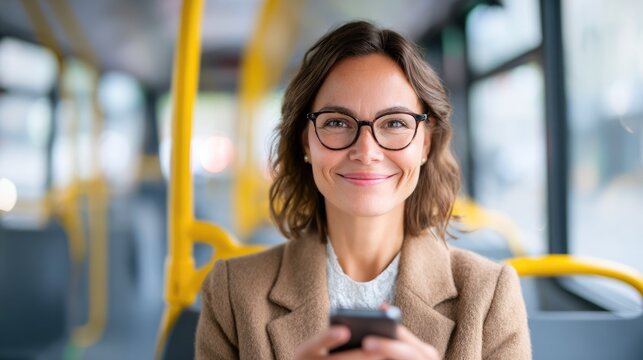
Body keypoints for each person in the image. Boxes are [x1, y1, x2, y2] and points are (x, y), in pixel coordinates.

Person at [196, 21, 531, 359]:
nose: (366, 151)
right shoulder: (233, 292)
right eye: (337, 123)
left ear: (425, 144)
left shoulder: (489, 294)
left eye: (395, 123)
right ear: (306, 143)